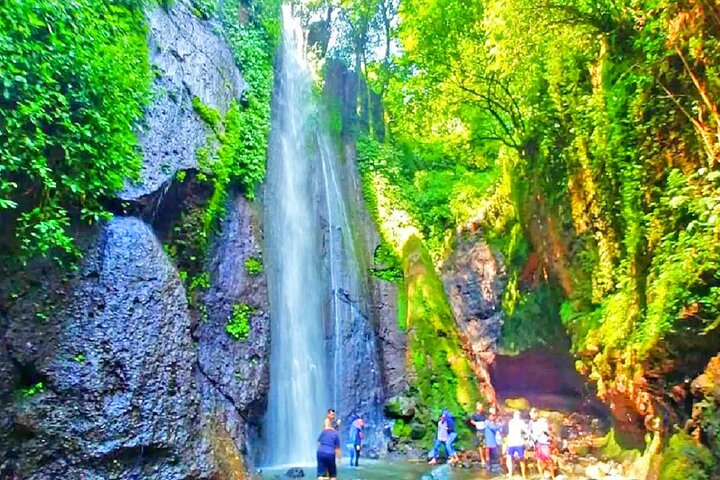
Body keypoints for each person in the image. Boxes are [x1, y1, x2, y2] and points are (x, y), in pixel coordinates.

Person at [529, 408, 555, 478]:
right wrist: (531, 441)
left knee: (548, 460)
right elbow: (530, 432)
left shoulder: (542, 421)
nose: (531, 416)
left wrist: (551, 436)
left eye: (532, 414)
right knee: (539, 460)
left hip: (544, 443)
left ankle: (553, 476)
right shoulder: (531, 423)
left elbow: (547, 431)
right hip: (537, 443)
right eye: (530, 414)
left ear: (536, 414)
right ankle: (542, 476)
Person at [506, 410, 527, 480]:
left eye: (518, 414)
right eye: (516, 414)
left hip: (518, 443)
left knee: (521, 458)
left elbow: (526, 431)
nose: (517, 416)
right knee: (510, 458)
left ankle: (523, 475)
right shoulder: (511, 422)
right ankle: (510, 473)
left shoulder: (520, 422)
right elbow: (526, 431)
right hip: (512, 443)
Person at [484, 408, 503, 474]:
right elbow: (493, 428)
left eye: (494, 416)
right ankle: (489, 468)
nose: (493, 417)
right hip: (489, 443)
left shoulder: (493, 423)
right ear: (489, 416)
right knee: (489, 456)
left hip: (493, 442)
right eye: (492, 416)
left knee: (495, 456)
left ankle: (495, 468)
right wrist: (500, 425)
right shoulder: (487, 422)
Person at [470, 402, 489, 467]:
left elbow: (487, 420)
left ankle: (487, 458)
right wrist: (476, 423)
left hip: (485, 430)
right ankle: (482, 459)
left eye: (482, 407)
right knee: (480, 446)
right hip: (479, 431)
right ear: (477, 408)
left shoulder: (484, 414)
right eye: (480, 407)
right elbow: (471, 421)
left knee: (486, 445)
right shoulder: (474, 414)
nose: (481, 408)